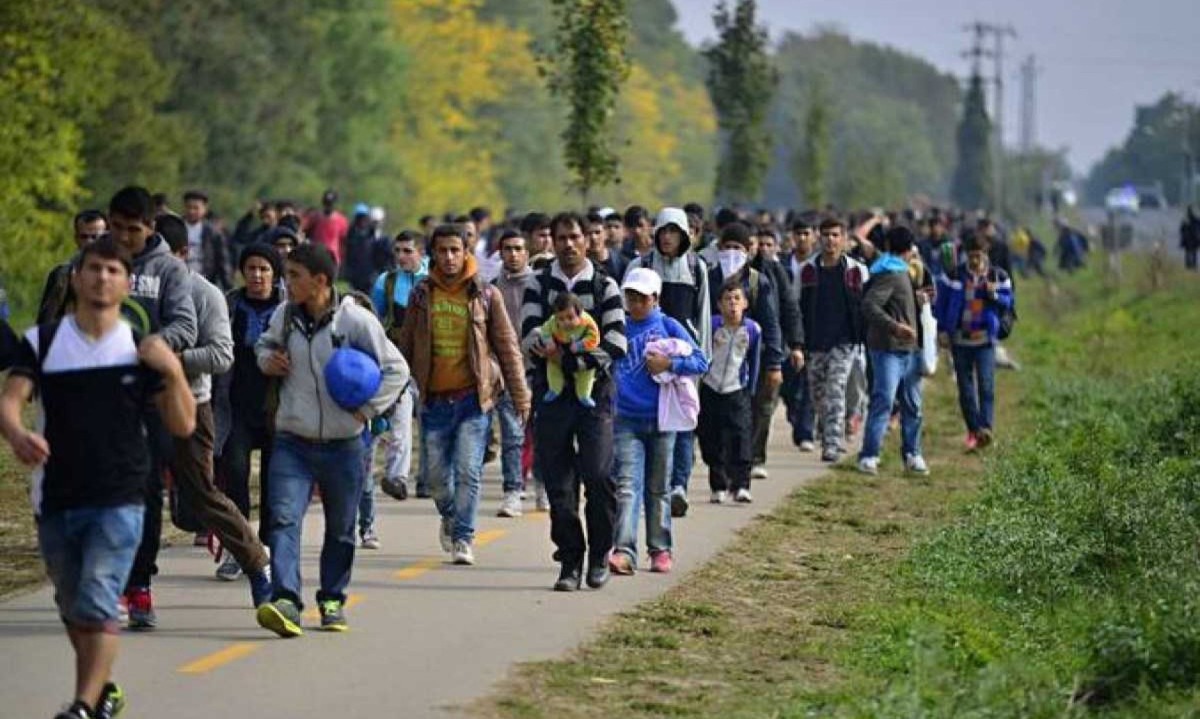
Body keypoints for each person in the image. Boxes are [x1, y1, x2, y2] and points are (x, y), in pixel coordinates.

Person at [0, 237, 196, 719]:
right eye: (94, 268)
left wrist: (172, 371)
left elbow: (183, 424)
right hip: (57, 494)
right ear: (76, 276)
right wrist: (17, 434)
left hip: (121, 495)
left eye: (113, 270)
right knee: (72, 605)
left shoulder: (138, 349)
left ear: (127, 283)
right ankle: (102, 688)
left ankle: (84, 706)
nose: (102, 277)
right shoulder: (44, 342)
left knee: (98, 597)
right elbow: (10, 400)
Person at [254, 243, 407, 636]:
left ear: (320, 281)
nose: (286, 284)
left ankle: (333, 599)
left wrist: (367, 410)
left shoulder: (354, 322)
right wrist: (268, 361)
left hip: (345, 446)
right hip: (292, 440)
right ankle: (286, 598)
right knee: (284, 519)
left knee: (340, 528)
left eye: (294, 276)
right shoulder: (284, 316)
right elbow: (264, 347)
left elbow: (396, 369)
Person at [395, 224, 530, 566]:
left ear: (466, 251)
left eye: (455, 250)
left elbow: (508, 347)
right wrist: (396, 389)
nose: (450, 257)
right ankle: (450, 514)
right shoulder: (422, 295)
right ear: (433, 255)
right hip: (435, 400)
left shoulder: (485, 293)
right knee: (437, 478)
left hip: (473, 399)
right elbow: (406, 347)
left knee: (469, 470)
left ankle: (463, 537)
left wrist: (521, 396)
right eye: (442, 251)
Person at [156, 214, 273, 599]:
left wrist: (167, 358)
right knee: (128, 494)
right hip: (134, 405)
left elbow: (221, 356)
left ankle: (255, 560)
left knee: (201, 498)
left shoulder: (204, 294)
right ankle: (132, 585)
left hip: (196, 403)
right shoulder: (123, 288)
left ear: (181, 254)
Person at [520, 211, 627, 592]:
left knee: (598, 474)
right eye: (560, 237)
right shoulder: (538, 283)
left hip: (594, 395)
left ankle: (600, 553)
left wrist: (565, 358)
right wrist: (553, 356)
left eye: (574, 237)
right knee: (558, 484)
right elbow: (529, 336)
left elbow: (615, 344)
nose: (567, 244)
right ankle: (570, 559)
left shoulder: (605, 286)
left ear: (587, 240)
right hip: (551, 397)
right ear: (550, 240)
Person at [110, 186, 198, 630]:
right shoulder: (93, 265)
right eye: (117, 227)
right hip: (97, 396)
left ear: (150, 226)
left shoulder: (169, 271)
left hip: (151, 396)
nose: (125, 237)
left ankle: (138, 583)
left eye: (134, 229)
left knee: (145, 490)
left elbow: (185, 323)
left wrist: (153, 345)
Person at [610, 268, 707, 575]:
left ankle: (660, 549)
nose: (636, 303)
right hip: (625, 419)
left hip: (663, 421)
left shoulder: (669, 325)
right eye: (631, 297)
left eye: (642, 297)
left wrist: (671, 364)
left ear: (655, 298)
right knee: (627, 487)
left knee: (658, 488)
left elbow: (701, 360)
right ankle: (624, 550)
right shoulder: (618, 327)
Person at [623, 208, 712, 517]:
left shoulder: (696, 267)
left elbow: (702, 313)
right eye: (664, 231)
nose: (668, 237)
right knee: (650, 419)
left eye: (675, 232)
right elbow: (626, 311)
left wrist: (703, 357)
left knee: (683, 421)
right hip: (644, 358)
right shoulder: (641, 265)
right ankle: (651, 481)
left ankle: (678, 486)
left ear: (685, 235)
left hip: (683, 357)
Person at [215, 244, 285, 556]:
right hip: (235, 407)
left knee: (274, 483)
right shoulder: (229, 305)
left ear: (275, 273)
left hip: (278, 409)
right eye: (251, 269)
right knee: (235, 473)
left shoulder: (289, 307)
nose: (257, 275)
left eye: (264, 269)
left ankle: (267, 546)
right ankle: (240, 548)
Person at [796, 214, 868, 463]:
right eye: (826, 235)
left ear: (844, 239)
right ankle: (827, 430)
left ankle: (832, 444)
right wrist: (797, 342)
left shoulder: (856, 271)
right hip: (815, 342)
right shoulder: (807, 271)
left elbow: (866, 306)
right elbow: (796, 307)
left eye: (835, 235)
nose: (830, 240)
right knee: (818, 395)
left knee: (835, 389)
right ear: (819, 238)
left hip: (845, 341)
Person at [856, 226, 927, 476]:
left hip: (910, 350)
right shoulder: (890, 273)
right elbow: (870, 305)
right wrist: (895, 327)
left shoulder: (899, 272)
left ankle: (912, 453)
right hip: (889, 349)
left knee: (912, 405)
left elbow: (896, 303)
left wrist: (916, 300)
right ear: (908, 250)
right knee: (884, 401)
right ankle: (869, 454)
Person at [934, 231, 1014, 450]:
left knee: (986, 386)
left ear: (985, 254)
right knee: (966, 388)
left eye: (979, 256)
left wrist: (994, 295)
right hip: (960, 340)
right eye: (971, 256)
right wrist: (941, 330)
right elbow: (940, 305)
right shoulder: (954, 276)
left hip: (985, 340)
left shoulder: (997, 276)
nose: (975, 261)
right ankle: (973, 429)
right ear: (966, 256)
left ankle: (985, 429)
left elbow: (1008, 303)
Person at [371, 230, 428, 501]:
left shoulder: (435, 280)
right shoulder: (387, 281)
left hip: (432, 357)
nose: (402, 256)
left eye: (408, 251)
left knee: (432, 422)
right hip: (397, 357)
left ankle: (427, 477)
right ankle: (398, 477)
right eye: (398, 251)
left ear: (421, 253)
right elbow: (373, 318)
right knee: (401, 418)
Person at [747, 222, 804, 481]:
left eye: (768, 244)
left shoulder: (776, 272)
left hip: (770, 348)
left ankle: (756, 457)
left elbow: (790, 308)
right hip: (736, 351)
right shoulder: (729, 274)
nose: (762, 249)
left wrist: (796, 345)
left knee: (764, 405)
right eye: (759, 244)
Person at [699, 281, 762, 503]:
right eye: (727, 299)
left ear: (745, 303)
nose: (732, 304)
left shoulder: (752, 330)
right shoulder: (712, 326)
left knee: (741, 436)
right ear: (719, 304)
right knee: (711, 437)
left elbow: (754, 362)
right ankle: (718, 484)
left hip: (737, 389)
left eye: (737, 298)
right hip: (711, 387)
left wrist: (750, 389)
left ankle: (742, 484)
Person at [492, 229, 538, 517]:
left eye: (519, 248)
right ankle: (513, 490)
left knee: (543, 431)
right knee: (511, 433)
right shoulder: (491, 287)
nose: (513, 254)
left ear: (527, 253)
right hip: (506, 369)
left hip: (539, 366)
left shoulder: (539, 285)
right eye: (508, 249)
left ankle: (544, 485)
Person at [781, 214, 818, 451]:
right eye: (798, 234)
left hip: (813, 329)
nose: (802, 238)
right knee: (788, 384)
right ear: (792, 237)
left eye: (806, 234)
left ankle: (806, 431)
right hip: (786, 331)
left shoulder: (820, 265)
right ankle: (795, 415)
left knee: (809, 381)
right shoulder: (782, 264)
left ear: (813, 236)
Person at [37, 210, 108, 325]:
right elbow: (45, 321)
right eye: (84, 237)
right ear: (76, 238)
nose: (89, 242)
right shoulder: (61, 275)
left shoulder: (119, 274)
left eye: (95, 237)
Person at [537, 293, 601, 407]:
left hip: (582, 354)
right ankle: (554, 389)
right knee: (552, 365)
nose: (566, 322)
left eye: (570, 317)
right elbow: (544, 331)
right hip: (560, 349)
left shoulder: (588, 322)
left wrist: (580, 345)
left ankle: (584, 394)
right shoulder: (553, 322)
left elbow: (595, 338)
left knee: (587, 371)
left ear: (579, 313)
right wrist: (549, 342)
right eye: (561, 319)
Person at [181, 190, 230, 289]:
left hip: (205, 281)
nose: (191, 211)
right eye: (188, 207)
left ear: (204, 209)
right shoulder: (176, 227)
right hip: (180, 279)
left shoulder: (213, 232)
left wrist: (228, 287)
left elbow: (222, 261)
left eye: (196, 208)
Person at [303, 189, 349, 265]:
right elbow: (306, 234)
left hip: (333, 258)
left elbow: (343, 242)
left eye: (331, 203)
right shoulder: (315, 217)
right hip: (316, 256)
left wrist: (342, 257)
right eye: (327, 203)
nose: (328, 206)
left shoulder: (342, 220)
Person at [1181, 205, 1200, 271]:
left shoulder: (1186, 220)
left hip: (1190, 238)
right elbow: (1182, 229)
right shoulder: (1195, 220)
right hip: (1193, 238)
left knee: (1189, 253)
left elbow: (1182, 229)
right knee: (1192, 253)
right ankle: (1192, 266)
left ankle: (1190, 266)